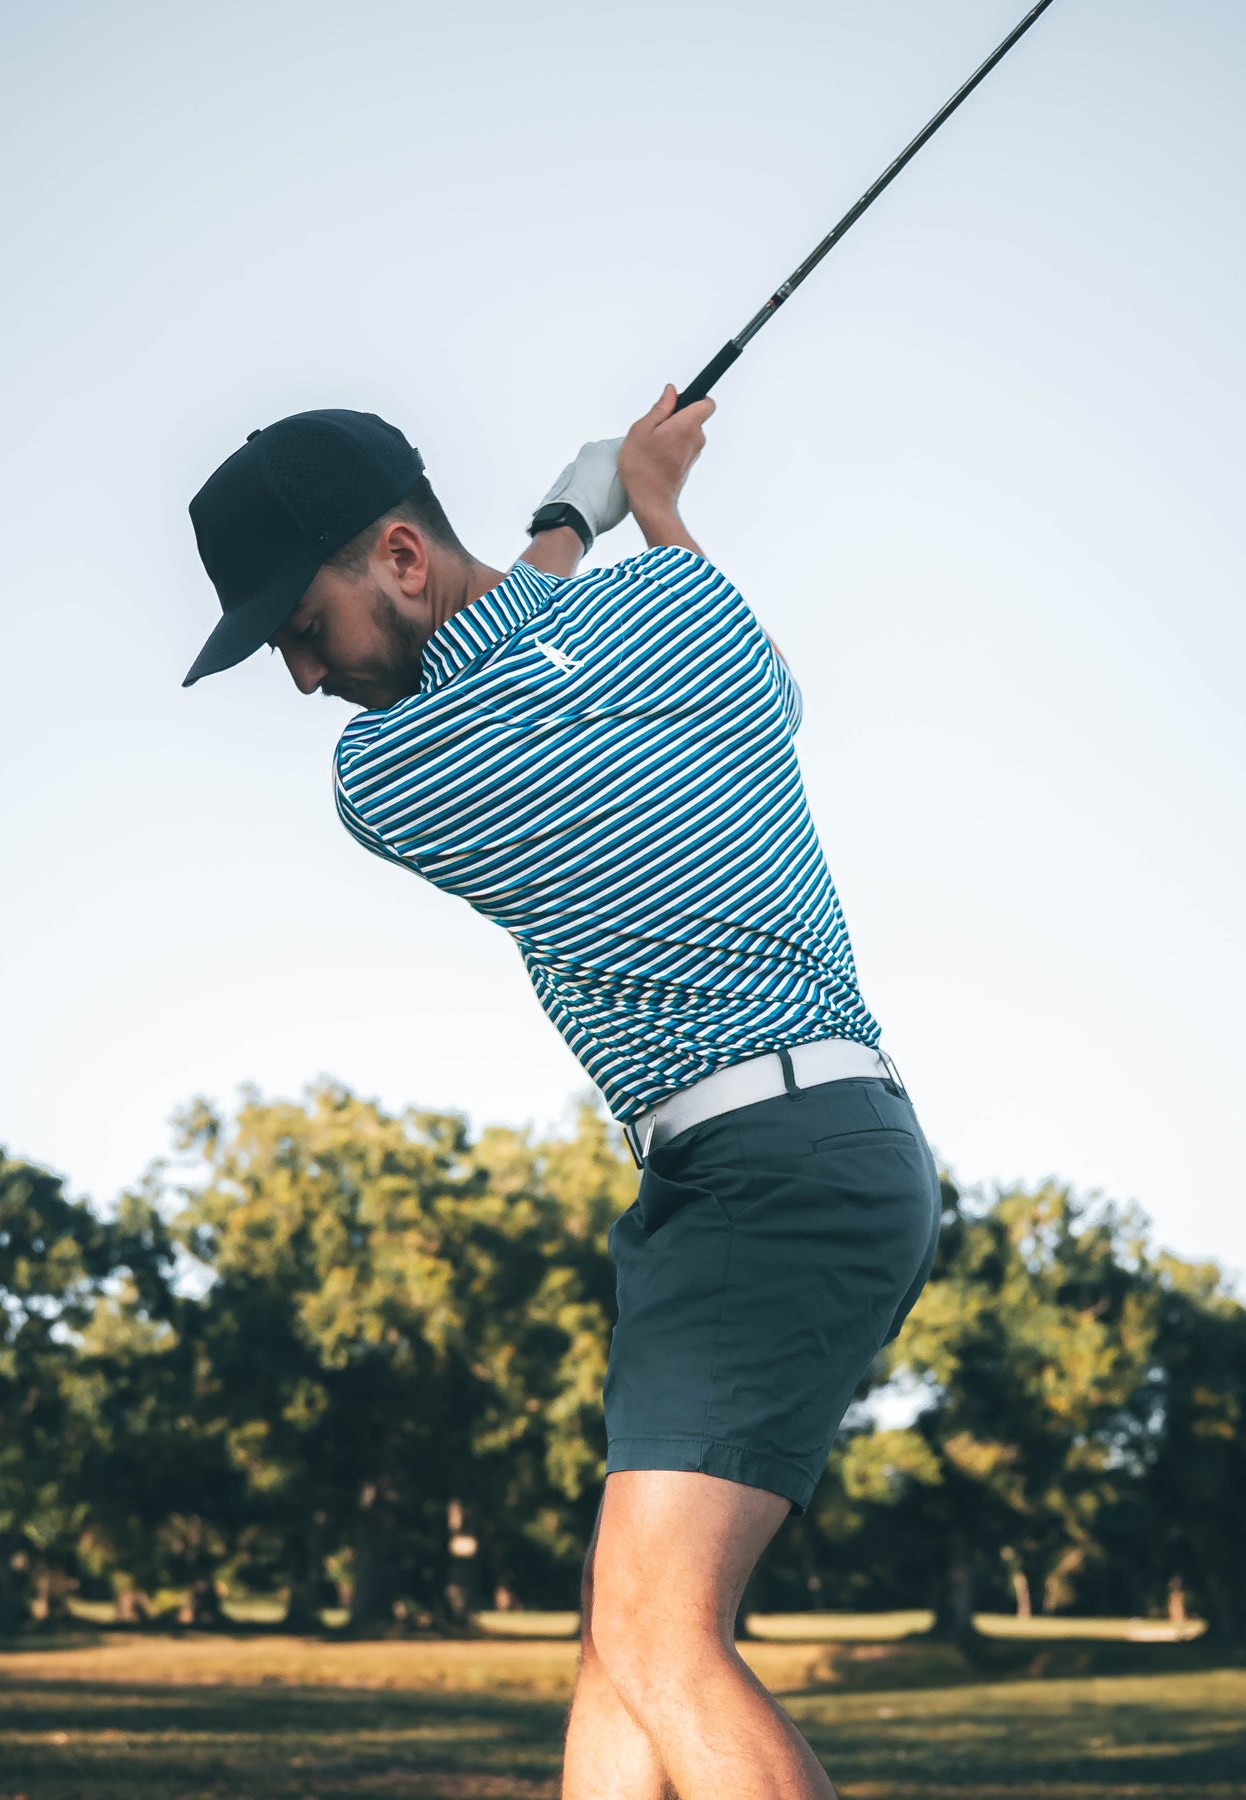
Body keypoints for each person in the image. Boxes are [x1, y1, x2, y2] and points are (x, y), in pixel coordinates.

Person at [182, 386, 943, 1800]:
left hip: (769, 1165)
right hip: (794, 1153)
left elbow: (504, 647)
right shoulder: (676, 609)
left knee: (659, 1637)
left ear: (401, 557)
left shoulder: (387, 773)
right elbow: (764, 680)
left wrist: (570, 516)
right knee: (622, 1641)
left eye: (303, 629)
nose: (303, 676)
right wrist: (643, 508)